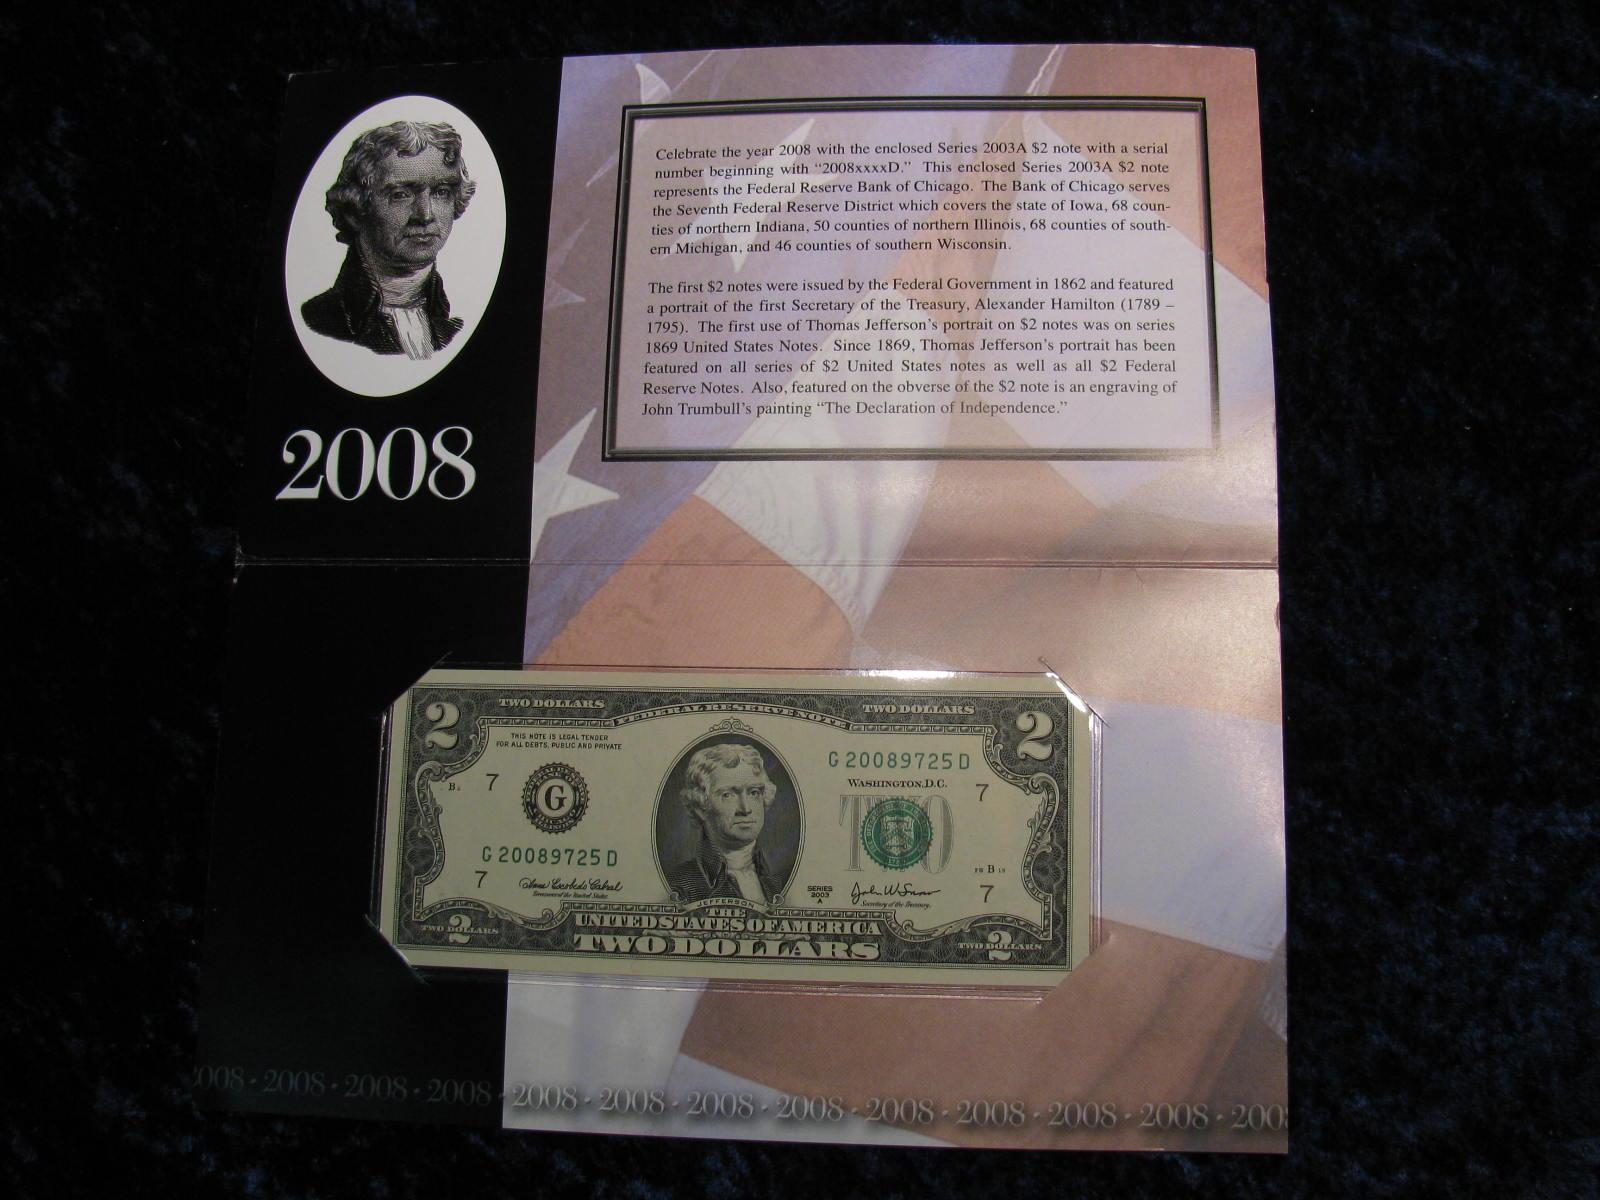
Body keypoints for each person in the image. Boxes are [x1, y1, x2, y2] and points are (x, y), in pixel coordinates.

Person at [301, 121, 476, 358]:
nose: (425, 215)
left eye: (441, 192)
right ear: (356, 209)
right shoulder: (318, 321)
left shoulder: (457, 326)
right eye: (401, 194)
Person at [665, 743, 784, 904]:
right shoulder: (678, 885)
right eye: (728, 795)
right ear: (701, 806)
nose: (745, 809)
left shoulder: (777, 883)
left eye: (754, 792)